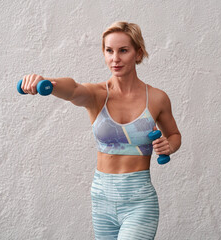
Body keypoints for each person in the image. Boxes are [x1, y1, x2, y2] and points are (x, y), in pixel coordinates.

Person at [21, 21, 181, 239]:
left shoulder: (156, 98)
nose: (115, 58)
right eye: (109, 51)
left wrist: (169, 145)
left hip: (139, 201)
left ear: (138, 53)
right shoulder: (97, 95)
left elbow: (174, 135)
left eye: (123, 50)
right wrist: (46, 81)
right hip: (101, 199)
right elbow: (73, 88)